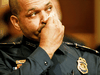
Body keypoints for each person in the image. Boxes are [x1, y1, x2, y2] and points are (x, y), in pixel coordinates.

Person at [0, 0, 100, 75]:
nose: (45, 18)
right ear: (16, 22)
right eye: (33, 14)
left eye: (49, 8)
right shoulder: (4, 58)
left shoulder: (88, 58)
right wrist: (46, 48)